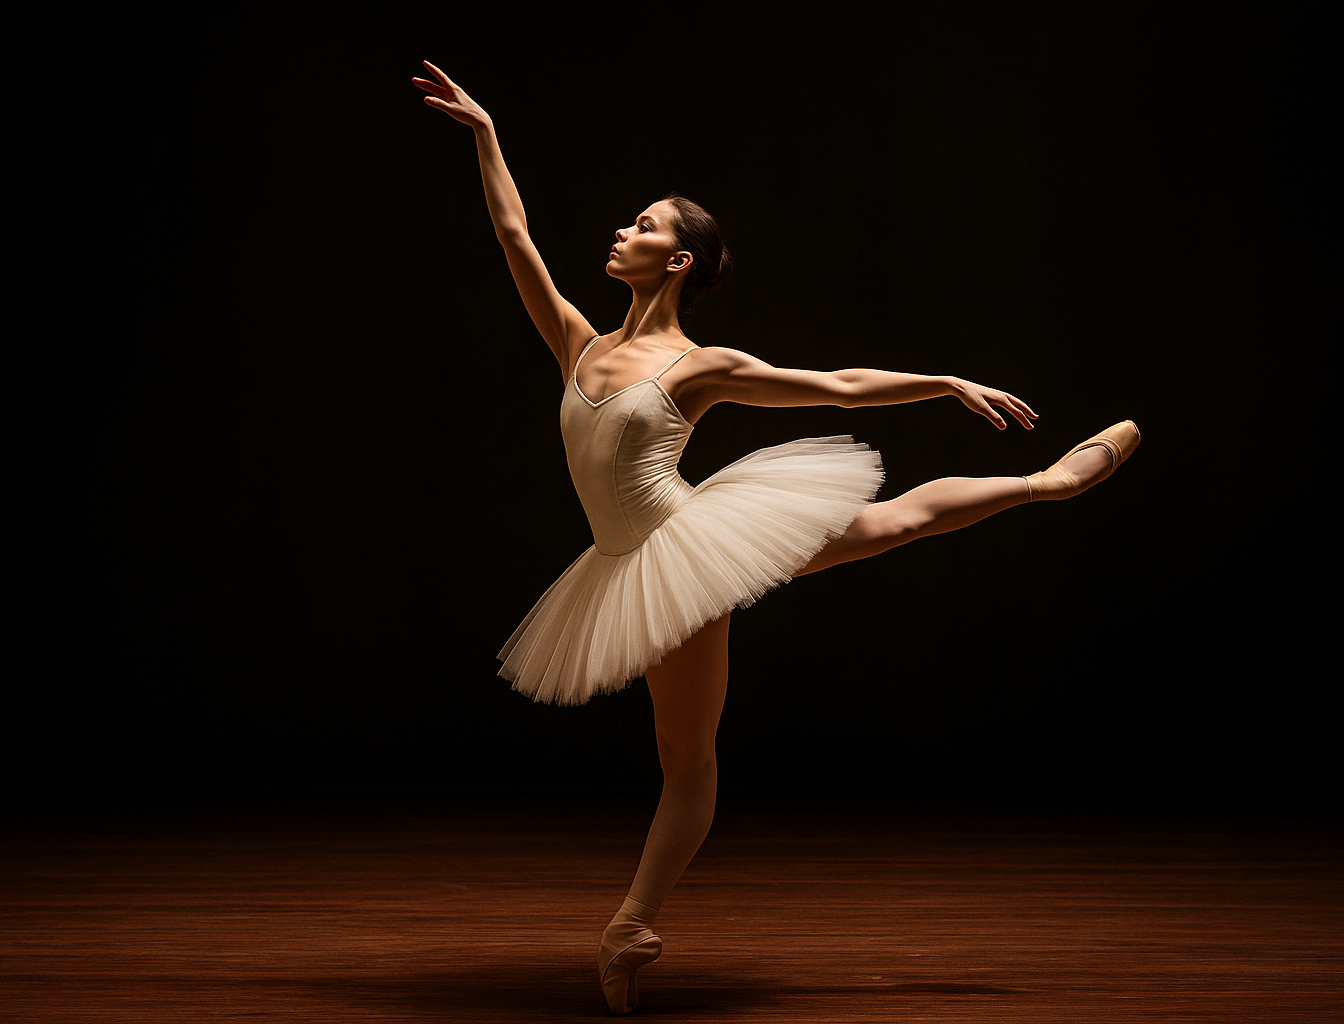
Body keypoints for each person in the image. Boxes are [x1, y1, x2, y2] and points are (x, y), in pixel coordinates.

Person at [413, 61, 1139, 1014]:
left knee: (882, 535)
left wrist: (943, 382)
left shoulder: (697, 366)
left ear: (677, 262)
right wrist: (485, 133)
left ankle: (1051, 480)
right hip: (627, 563)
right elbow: (513, 235)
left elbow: (833, 385)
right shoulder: (578, 342)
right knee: (694, 749)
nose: (622, 231)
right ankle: (632, 929)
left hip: (687, 543)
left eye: (645, 225)